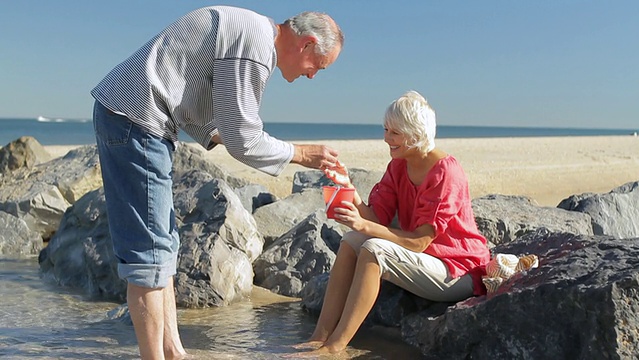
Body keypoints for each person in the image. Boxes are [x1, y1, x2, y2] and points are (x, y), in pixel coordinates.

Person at [91, 5, 344, 359]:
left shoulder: (251, 34)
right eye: (319, 65)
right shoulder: (256, 46)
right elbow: (243, 139)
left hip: (136, 117)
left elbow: (221, 123)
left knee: (162, 249)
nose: (314, 75)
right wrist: (302, 153)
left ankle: (174, 352)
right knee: (148, 259)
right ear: (306, 43)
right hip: (135, 120)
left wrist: (288, 151)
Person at [291, 91, 491, 356]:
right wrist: (348, 187)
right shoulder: (398, 165)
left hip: (457, 270)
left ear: (414, 133)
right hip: (424, 258)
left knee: (375, 249)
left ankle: (336, 347)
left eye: (394, 132)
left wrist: (365, 227)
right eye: (386, 130)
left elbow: (418, 242)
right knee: (351, 240)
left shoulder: (446, 172)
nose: (386, 138)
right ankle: (319, 337)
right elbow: (375, 218)